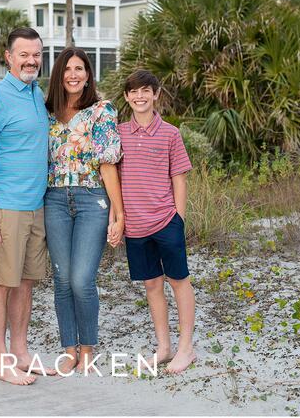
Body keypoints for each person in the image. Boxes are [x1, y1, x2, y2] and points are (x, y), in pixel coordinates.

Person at [0, 27, 56, 385]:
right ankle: (0, 359)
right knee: (0, 286)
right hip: (6, 207)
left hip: (36, 205)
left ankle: (21, 353)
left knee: (25, 283)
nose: (31, 60)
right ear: (8, 57)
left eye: (36, 54)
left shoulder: (37, 94)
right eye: (23, 54)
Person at [43, 48, 124, 375]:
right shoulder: (46, 112)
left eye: (80, 69)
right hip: (54, 200)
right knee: (62, 278)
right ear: (59, 74)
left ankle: (88, 346)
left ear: (88, 75)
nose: (73, 74)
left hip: (92, 200)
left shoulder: (102, 111)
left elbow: (108, 164)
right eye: (67, 69)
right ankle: (69, 349)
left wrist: (119, 214)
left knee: (81, 279)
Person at [118, 69, 196, 374]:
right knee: (152, 285)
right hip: (136, 227)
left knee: (179, 281)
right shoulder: (120, 133)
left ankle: (186, 348)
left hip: (166, 220)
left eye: (145, 91)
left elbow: (179, 179)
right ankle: (164, 347)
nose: (140, 96)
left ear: (156, 94)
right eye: (134, 92)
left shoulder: (170, 133)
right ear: (127, 97)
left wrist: (178, 218)